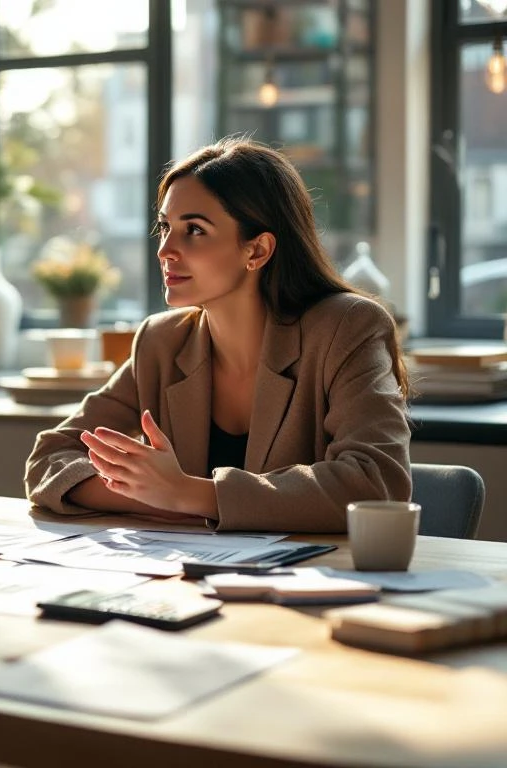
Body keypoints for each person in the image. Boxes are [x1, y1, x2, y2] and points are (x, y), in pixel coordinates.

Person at [26, 137, 412, 532]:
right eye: (165, 227)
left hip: (310, 579)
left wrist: (188, 494)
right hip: (187, 580)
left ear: (257, 250)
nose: (165, 250)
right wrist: (160, 498)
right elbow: (49, 459)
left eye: (193, 230)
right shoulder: (161, 341)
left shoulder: (347, 327)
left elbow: (376, 484)